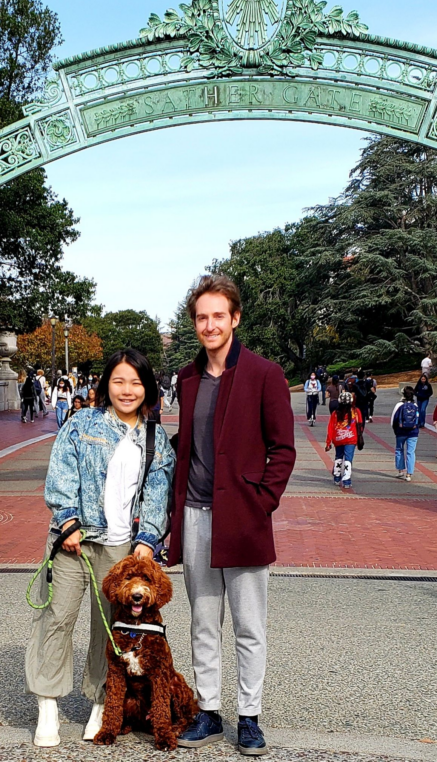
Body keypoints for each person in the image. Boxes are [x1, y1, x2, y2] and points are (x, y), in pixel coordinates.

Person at [168, 275, 295, 756]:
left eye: (218, 315)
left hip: (243, 517)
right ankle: (208, 712)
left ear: (235, 318)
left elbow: (283, 449)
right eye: (202, 317)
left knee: (249, 625)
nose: (210, 324)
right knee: (203, 620)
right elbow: (190, 447)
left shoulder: (264, 374)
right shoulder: (187, 377)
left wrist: (261, 503)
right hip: (197, 515)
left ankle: (249, 716)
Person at [25, 348, 175, 748]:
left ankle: (100, 701)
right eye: (119, 381)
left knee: (108, 629)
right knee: (57, 618)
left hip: (122, 549)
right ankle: (48, 703)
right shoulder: (81, 424)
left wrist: (147, 541)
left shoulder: (154, 437)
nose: (127, 390)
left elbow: (156, 494)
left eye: (136, 382)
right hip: (74, 541)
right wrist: (69, 520)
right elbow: (61, 473)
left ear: (147, 387)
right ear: (106, 384)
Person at [325, 391, 363, 488]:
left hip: (338, 439)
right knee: (348, 459)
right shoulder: (356, 411)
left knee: (338, 457)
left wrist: (328, 442)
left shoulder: (335, 413)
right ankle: (346, 480)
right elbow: (360, 425)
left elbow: (330, 427)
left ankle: (337, 478)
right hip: (351, 438)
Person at [391, 386, 419, 481]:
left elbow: (393, 420)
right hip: (413, 432)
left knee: (399, 450)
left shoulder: (399, 405)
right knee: (410, 452)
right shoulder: (415, 405)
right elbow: (418, 419)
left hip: (401, 431)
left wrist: (395, 430)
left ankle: (400, 471)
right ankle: (409, 474)